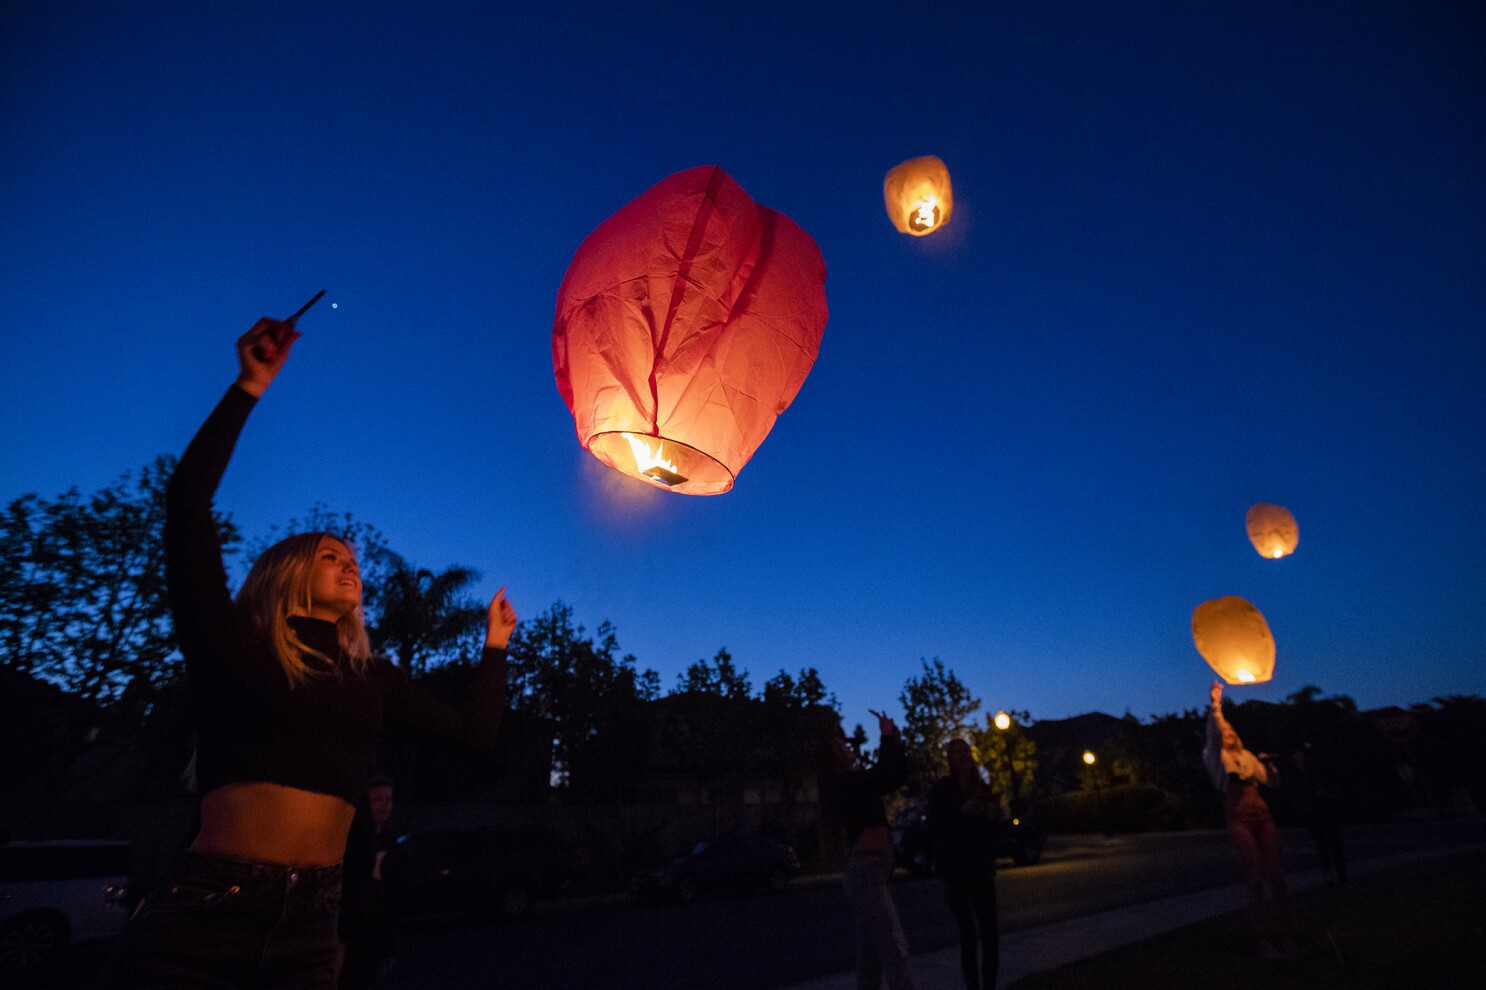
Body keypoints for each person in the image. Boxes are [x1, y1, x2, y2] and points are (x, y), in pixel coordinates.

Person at [117, 316, 518, 988]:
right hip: (209, 906)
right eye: (329, 555)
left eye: (352, 559)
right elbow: (187, 499)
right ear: (285, 573)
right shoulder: (232, 640)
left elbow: (476, 736)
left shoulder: (371, 677)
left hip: (314, 918)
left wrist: (497, 646)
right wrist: (249, 386)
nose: (348, 564)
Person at [819, 711, 919, 990]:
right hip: (866, 874)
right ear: (835, 758)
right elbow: (885, 775)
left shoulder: (855, 782)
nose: (849, 747)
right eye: (843, 746)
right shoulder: (844, 784)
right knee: (895, 949)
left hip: (873, 871)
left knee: (871, 960)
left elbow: (893, 778)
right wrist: (886, 736)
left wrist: (896, 744)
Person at [1202, 680, 1294, 959]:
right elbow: (1215, 731)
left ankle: (1284, 936)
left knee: (1276, 877)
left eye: (1232, 729)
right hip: (1239, 814)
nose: (1228, 732)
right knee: (1254, 880)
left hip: (1261, 813)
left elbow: (1273, 782)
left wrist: (1269, 766)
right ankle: (1263, 942)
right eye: (1225, 730)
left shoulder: (1246, 756)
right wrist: (1216, 704)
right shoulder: (1215, 757)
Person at [927, 739, 999, 990]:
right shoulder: (943, 789)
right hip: (956, 869)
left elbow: (992, 831)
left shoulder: (982, 787)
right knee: (968, 935)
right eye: (956, 752)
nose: (962, 756)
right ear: (950, 759)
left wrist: (991, 814)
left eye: (965, 751)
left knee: (990, 934)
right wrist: (961, 813)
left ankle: (988, 985)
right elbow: (935, 826)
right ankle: (973, 986)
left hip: (980, 867)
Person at [338, 777, 399, 989]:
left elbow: (392, 894)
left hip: (375, 929)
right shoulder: (354, 840)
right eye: (378, 799)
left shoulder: (389, 839)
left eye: (388, 799)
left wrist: (389, 945)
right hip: (353, 929)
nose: (384, 805)